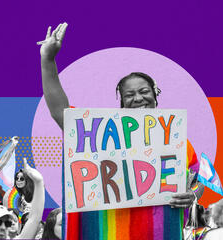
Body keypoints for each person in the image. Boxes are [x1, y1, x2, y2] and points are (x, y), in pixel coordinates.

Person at [40, 23, 199, 239]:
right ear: (122, 102)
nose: (138, 98)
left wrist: (191, 195)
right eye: (129, 95)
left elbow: (195, 182)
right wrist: (48, 60)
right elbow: (60, 112)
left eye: (144, 91)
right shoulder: (99, 134)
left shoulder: (177, 140)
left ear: (155, 94)